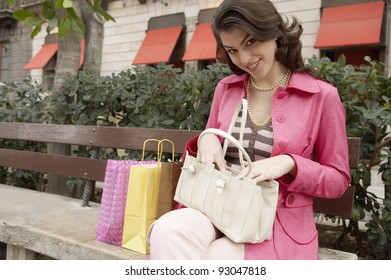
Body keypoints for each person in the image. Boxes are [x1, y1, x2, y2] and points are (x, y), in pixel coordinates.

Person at [147, 0, 351, 260]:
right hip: (215, 207)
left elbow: (338, 180)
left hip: (274, 225)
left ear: (275, 33)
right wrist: (207, 138)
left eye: (251, 42)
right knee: (168, 230)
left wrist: (290, 163)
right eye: (232, 50)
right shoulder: (226, 88)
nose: (244, 59)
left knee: (221, 255)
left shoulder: (321, 96)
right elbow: (211, 142)